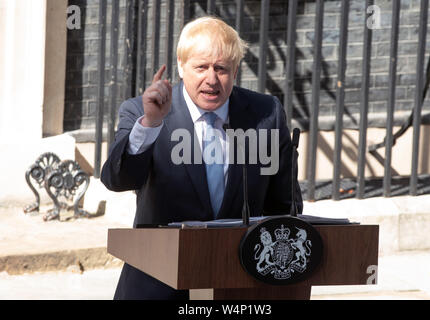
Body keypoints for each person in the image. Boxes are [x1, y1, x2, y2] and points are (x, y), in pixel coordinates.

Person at [101, 16, 303, 300]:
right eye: (201, 67)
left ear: (235, 71)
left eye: (221, 68)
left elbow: (285, 207)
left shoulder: (265, 113)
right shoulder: (142, 111)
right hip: (160, 281)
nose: (211, 79)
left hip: (240, 284)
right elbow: (117, 179)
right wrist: (151, 124)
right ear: (182, 67)